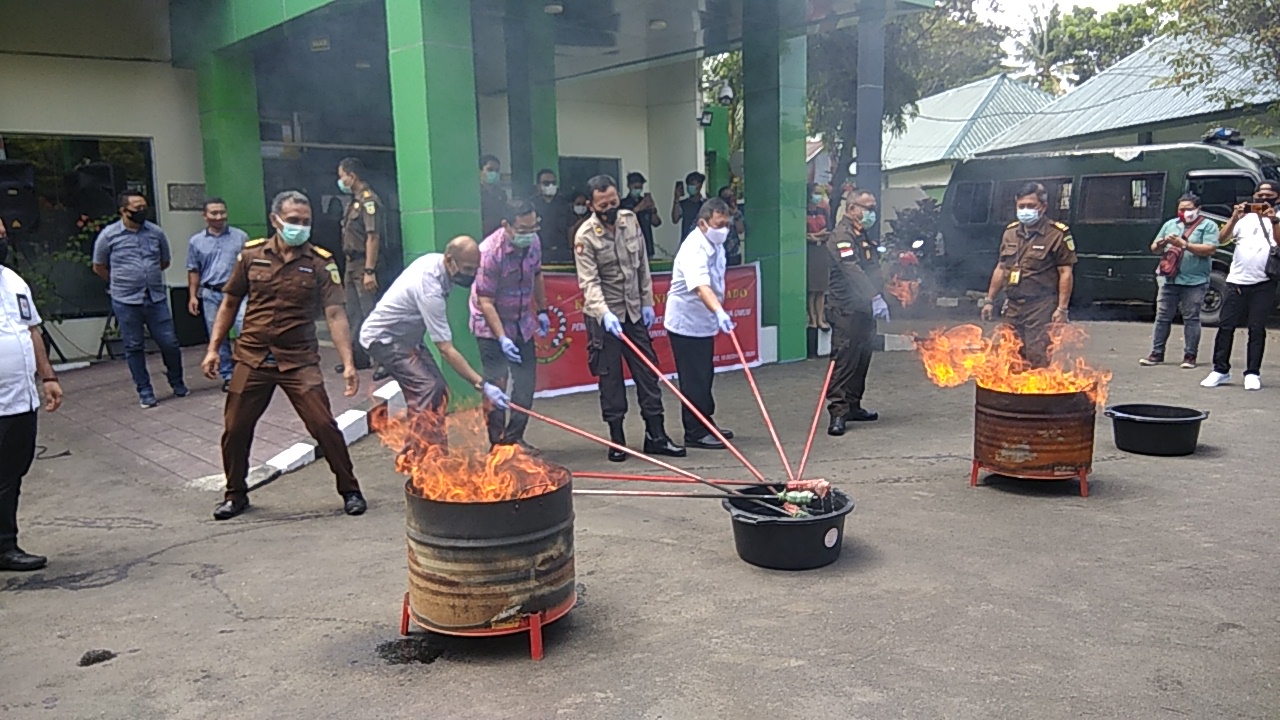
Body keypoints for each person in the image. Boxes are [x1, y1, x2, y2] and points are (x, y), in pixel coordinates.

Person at [203, 191, 365, 521]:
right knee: (235, 429)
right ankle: (235, 494)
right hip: (252, 356)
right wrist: (212, 349)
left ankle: (350, 490)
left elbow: (335, 314)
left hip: (298, 358)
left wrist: (349, 362)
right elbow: (230, 303)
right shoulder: (250, 256)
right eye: (293, 221)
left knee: (323, 425)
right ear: (275, 220)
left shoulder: (320, 261)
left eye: (306, 222)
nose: (300, 227)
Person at [360, 236, 510, 459]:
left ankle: (430, 452)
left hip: (408, 339)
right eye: (467, 268)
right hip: (383, 339)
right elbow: (446, 349)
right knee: (426, 388)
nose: (471, 275)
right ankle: (423, 460)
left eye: (475, 269)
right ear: (449, 260)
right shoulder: (430, 287)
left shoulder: (438, 264)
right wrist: (482, 384)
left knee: (438, 388)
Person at [574, 174, 685, 461]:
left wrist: (647, 303)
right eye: (603, 204)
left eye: (614, 201)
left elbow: (642, 268)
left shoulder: (629, 220)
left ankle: (656, 436)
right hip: (604, 318)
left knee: (648, 374)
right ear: (591, 205)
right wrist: (604, 313)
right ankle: (617, 439)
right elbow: (589, 283)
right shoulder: (585, 236)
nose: (611, 207)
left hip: (634, 312)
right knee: (610, 379)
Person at [0, 230, 64, 571]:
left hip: (20, 399)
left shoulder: (12, 280)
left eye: (2, 234)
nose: (1, 241)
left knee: (11, 474)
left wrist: (48, 376)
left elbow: (32, 329)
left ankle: (5, 546)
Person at [92, 191, 188, 408]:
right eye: (136, 209)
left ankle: (177, 381)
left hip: (155, 297)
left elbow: (165, 261)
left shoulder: (155, 232)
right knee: (134, 346)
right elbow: (99, 266)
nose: (141, 212)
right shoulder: (109, 236)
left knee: (169, 342)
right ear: (123, 211)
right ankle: (145, 391)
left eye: (144, 207)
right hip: (126, 300)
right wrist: (119, 280)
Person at [471, 199, 550, 453]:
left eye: (533, 227)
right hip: (490, 323)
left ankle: (515, 437)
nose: (529, 234)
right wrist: (502, 337)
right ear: (506, 225)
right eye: (523, 229)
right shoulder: (490, 252)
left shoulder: (534, 243)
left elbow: (537, 274)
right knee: (496, 383)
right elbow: (485, 300)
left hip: (522, 321)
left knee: (526, 381)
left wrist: (543, 310)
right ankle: (497, 444)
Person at [980, 182, 1077, 368]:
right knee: (1010, 354)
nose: (1026, 210)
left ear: (1043, 207)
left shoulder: (1057, 234)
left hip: (1040, 306)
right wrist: (989, 300)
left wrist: (1062, 308)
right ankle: (1014, 395)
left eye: (1031, 206)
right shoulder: (1010, 233)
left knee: (1037, 354)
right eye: (1021, 206)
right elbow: (1001, 267)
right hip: (1013, 306)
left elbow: (1065, 272)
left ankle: (1036, 395)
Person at [666, 199, 736, 449]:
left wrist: (716, 313)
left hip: (704, 321)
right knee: (693, 378)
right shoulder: (694, 247)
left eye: (727, 224)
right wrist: (719, 312)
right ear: (702, 224)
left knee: (705, 374)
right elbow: (700, 286)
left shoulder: (716, 245)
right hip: (686, 322)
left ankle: (706, 422)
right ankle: (694, 431)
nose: (724, 230)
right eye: (719, 224)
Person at [1202, 180, 1280, 391]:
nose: (1263, 200)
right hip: (1236, 280)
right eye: (1259, 196)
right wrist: (1235, 217)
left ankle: (1252, 372)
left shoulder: (1277, 218)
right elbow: (1222, 238)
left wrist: (1273, 221)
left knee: (1256, 329)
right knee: (1225, 326)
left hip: (1264, 282)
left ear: (1277, 198)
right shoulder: (1244, 218)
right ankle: (1220, 370)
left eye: (1268, 196)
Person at [825, 188, 889, 436]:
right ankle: (838, 413)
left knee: (862, 357)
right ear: (851, 209)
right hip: (846, 308)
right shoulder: (842, 236)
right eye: (867, 208)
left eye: (873, 208)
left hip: (864, 307)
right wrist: (874, 296)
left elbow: (871, 268)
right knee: (844, 359)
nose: (871, 213)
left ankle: (853, 404)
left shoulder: (862, 235)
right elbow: (851, 269)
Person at [1140, 194, 1220, 369]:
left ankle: (1190, 355)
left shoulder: (1208, 226)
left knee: (1191, 317)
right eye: (1181, 209)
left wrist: (1184, 244)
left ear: (1198, 209)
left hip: (1195, 281)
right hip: (1168, 279)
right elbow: (1153, 248)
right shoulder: (1170, 224)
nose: (1185, 212)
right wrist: (1161, 243)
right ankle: (1156, 353)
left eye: (1188, 209)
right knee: (1162, 317)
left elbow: (1210, 249)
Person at [186, 198, 249, 392]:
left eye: (222, 212)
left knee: (244, 330)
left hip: (238, 292)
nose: (219, 216)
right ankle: (229, 376)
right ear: (204, 216)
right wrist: (193, 296)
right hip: (211, 294)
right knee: (218, 335)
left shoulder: (241, 237)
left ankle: (247, 371)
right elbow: (193, 269)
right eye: (214, 213)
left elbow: (249, 265)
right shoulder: (196, 242)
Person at [335, 157, 385, 377]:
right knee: (354, 313)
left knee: (372, 313)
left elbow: (373, 236)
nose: (341, 180)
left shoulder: (368, 201)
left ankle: (384, 360)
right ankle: (359, 357)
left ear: (352, 176)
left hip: (364, 264)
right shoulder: (353, 201)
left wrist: (369, 270)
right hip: (350, 264)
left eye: (342, 176)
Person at [806, 184, 832, 338]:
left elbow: (828, 231)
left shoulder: (823, 211)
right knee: (812, 288)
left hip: (821, 250)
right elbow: (803, 234)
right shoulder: (803, 212)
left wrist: (814, 236)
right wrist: (815, 236)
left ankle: (821, 318)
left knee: (821, 287)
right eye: (815, 193)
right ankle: (812, 319)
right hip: (810, 251)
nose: (818, 196)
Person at [532, 168, 573, 264]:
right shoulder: (532, 205)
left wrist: (571, 249)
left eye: (553, 183)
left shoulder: (564, 204)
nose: (550, 186)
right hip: (539, 252)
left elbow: (570, 227)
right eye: (546, 183)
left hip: (562, 252)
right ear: (538, 186)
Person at [619, 172, 663, 258]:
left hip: (647, 246)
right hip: (629, 247)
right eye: (636, 187)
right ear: (629, 186)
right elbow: (621, 222)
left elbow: (657, 223)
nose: (638, 190)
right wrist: (638, 208)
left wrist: (652, 209)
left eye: (640, 187)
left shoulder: (645, 201)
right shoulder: (623, 203)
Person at [671, 171, 706, 242]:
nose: (690, 187)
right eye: (689, 184)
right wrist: (676, 198)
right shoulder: (683, 204)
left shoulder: (706, 204)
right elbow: (675, 219)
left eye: (693, 184)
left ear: (700, 186)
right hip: (687, 242)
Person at [716, 186, 746, 266]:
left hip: (733, 253)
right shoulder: (715, 212)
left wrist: (734, 214)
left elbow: (741, 230)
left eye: (732, 196)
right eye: (726, 197)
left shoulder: (737, 213)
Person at [480, 154, 507, 237]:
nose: (494, 173)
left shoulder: (501, 194)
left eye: (497, 170)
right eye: (490, 170)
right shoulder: (476, 194)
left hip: (497, 234)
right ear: (480, 171)